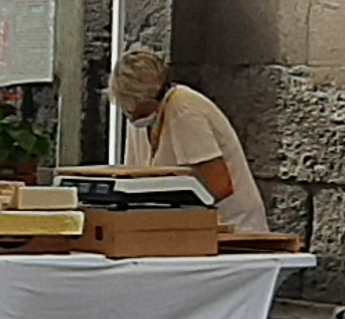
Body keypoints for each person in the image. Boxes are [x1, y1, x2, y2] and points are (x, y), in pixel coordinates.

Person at [111, 45, 270, 234]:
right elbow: (135, 178)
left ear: (149, 99)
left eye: (134, 107)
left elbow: (219, 185)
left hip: (232, 227)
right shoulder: (139, 119)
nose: (131, 112)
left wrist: (172, 215)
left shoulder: (184, 109)